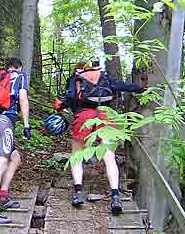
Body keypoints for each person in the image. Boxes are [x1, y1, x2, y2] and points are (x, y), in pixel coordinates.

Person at [54, 61, 145, 214]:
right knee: (109, 156)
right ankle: (116, 196)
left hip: (84, 116)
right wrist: (141, 88)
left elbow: (70, 97)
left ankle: (78, 192)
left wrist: (60, 105)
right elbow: (125, 86)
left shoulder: (77, 78)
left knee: (77, 155)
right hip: (106, 116)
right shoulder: (105, 77)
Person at [0, 58, 31, 224]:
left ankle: (3, 196)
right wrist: (26, 124)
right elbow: (23, 99)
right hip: (5, 124)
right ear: (19, 67)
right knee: (1, 162)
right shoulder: (20, 76)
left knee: (15, 157)